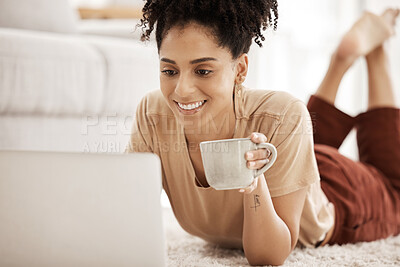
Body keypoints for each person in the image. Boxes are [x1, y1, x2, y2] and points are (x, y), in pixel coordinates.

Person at [125, 0, 400, 265]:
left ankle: (375, 54)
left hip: (337, 194)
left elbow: (268, 257)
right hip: (293, 161)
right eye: (169, 70)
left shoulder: (282, 114)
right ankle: (342, 59)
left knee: (394, 189)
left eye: (203, 70)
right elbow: (125, 209)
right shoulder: (153, 114)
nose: (182, 90)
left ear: (240, 69)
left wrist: (255, 183)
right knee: (303, 138)